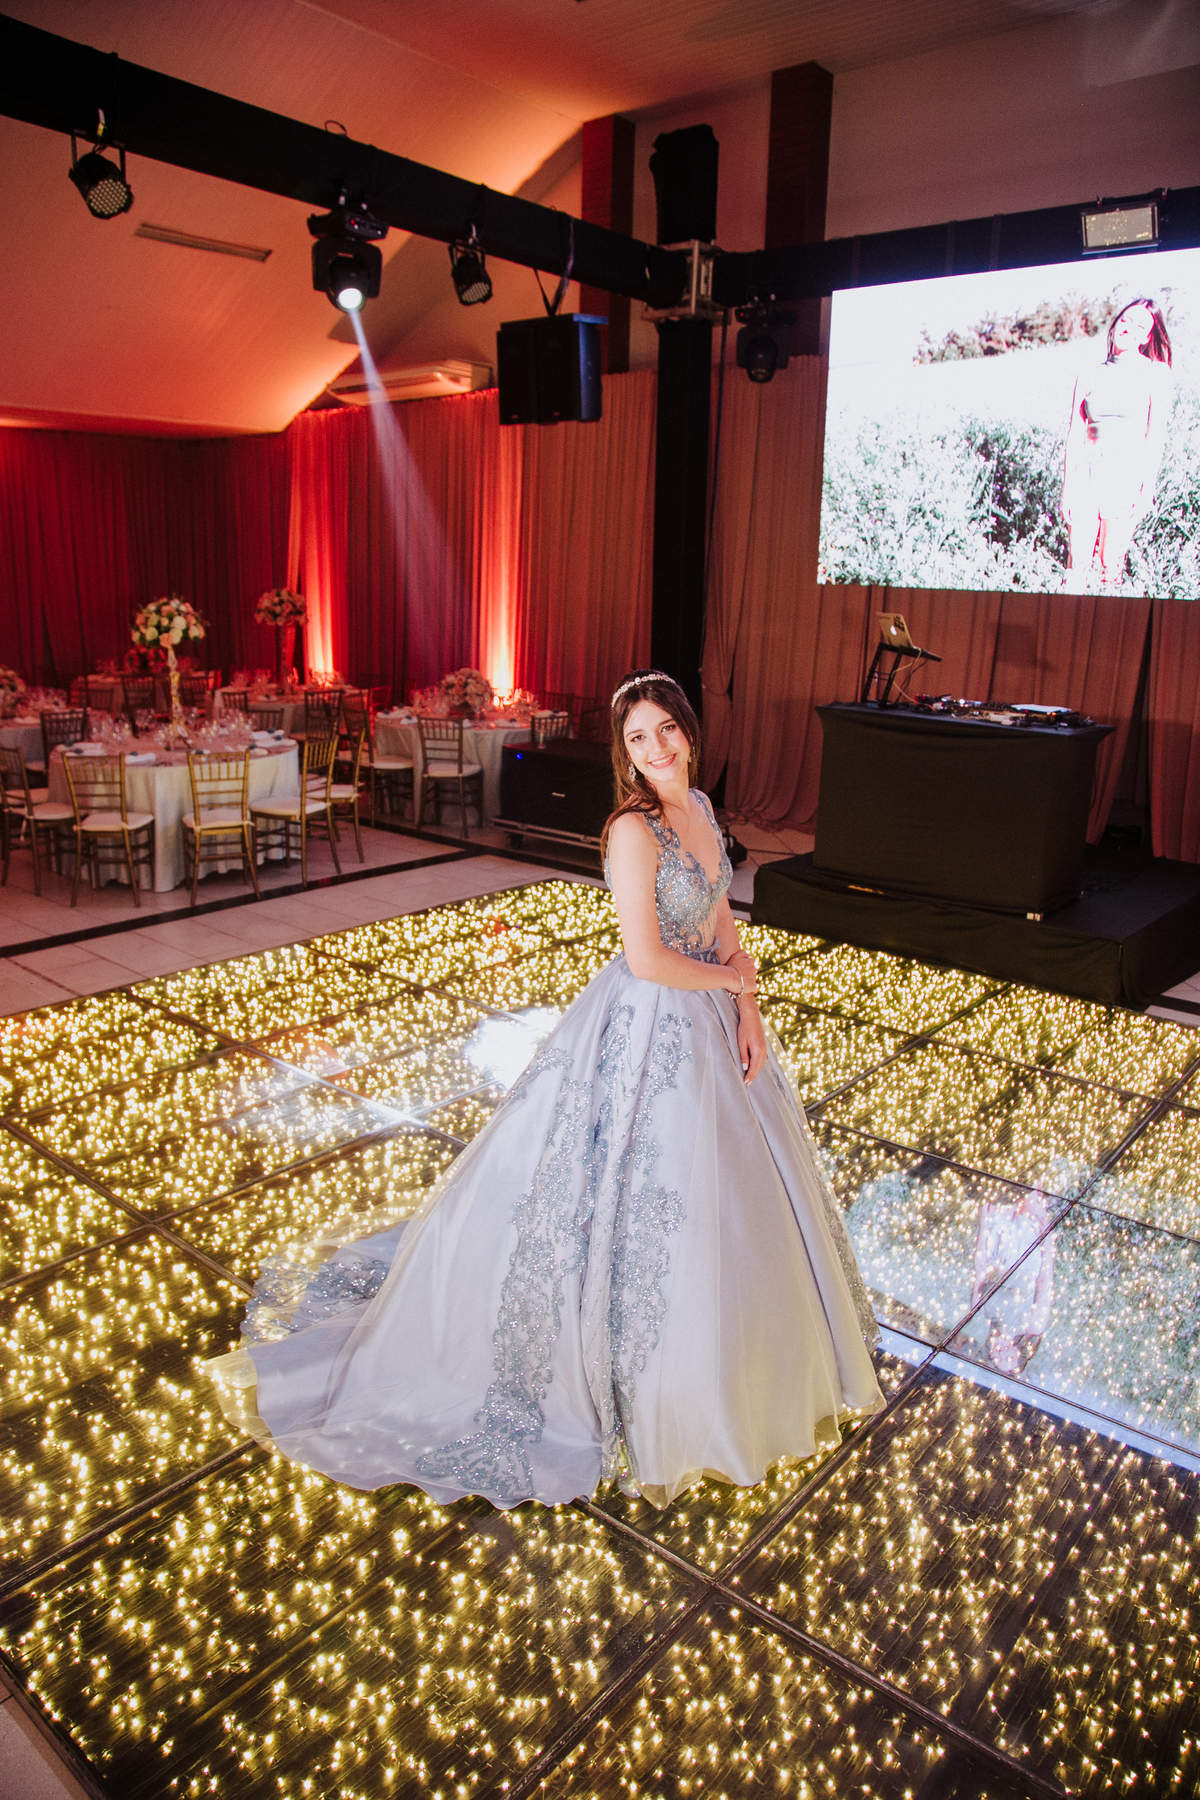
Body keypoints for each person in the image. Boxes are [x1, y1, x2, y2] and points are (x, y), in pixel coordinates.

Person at [207, 669, 882, 1509]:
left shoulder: (704, 810)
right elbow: (647, 959)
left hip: (711, 1012)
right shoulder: (631, 832)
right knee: (625, 1193)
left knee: (731, 1196)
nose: (656, 748)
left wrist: (747, 1003)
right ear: (625, 753)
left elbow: (719, 923)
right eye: (637, 738)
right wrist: (729, 985)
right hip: (650, 1019)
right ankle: (639, 1377)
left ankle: (743, 1360)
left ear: (688, 730)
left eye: (665, 730)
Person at [1061, 298, 1174, 592]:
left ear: (1147, 338)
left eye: (1140, 326)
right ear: (1115, 325)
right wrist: (1067, 490)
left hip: (1125, 475)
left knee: (1109, 566)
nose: (1129, 328)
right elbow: (1075, 433)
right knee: (1076, 567)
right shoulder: (1088, 374)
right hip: (1086, 474)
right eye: (1126, 320)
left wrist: (1146, 491)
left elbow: (1155, 436)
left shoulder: (1156, 374)